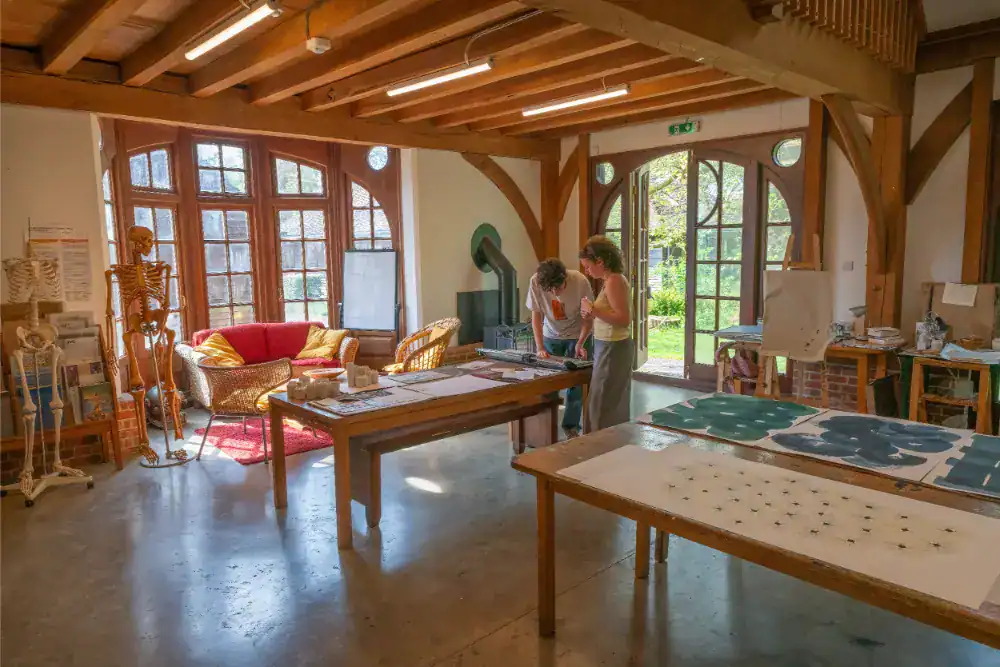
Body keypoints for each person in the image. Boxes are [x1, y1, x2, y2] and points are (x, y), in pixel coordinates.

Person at [525, 258, 594, 438]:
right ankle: (546, 425)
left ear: (565, 278)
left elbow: (588, 318)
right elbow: (536, 317)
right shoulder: (535, 281)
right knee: (548, 381)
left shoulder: (580, 282)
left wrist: (580, 343)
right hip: (550, 334)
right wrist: (540, 347)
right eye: (551, 290)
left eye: (559, 287)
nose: (555, 292)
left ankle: (571, 427)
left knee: (576, 384)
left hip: (578, 334)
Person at [579, 235, 632, 433]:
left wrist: (593, 310)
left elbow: (624, 319)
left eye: (588, 266)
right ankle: (601, 446)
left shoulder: (615, 281)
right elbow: (608, 314)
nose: (587, 270)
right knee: (600, 400)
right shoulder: (608, 280)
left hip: (614, 347)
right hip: (606, 345)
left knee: (603, 402)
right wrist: (591, 313)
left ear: (600, 261)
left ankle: (601, 448)